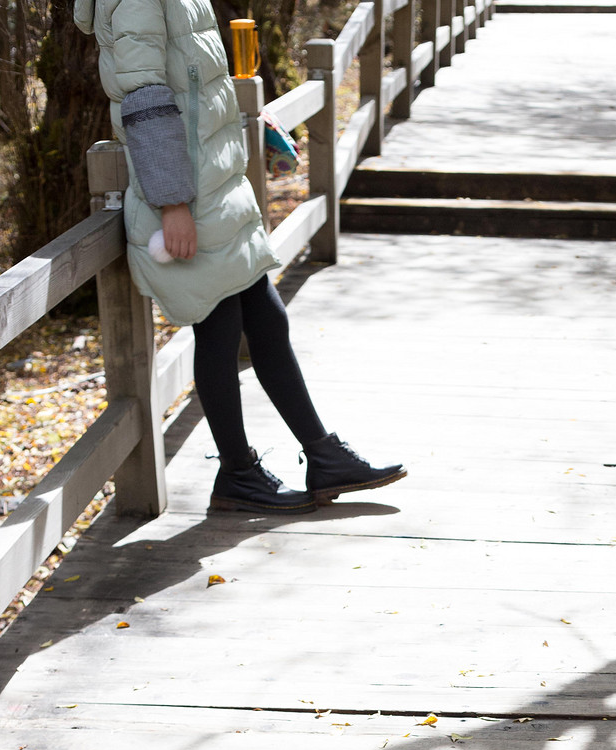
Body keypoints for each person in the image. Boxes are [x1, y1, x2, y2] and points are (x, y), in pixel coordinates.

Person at [75, 0, 405, 514]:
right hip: (189, 193)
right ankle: (237, 474)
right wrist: (173, 203)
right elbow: (145, 97)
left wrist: (240, 108)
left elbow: (192, 78)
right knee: (219, 327)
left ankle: (323, 456)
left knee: (266, 320)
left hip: (215, 183)